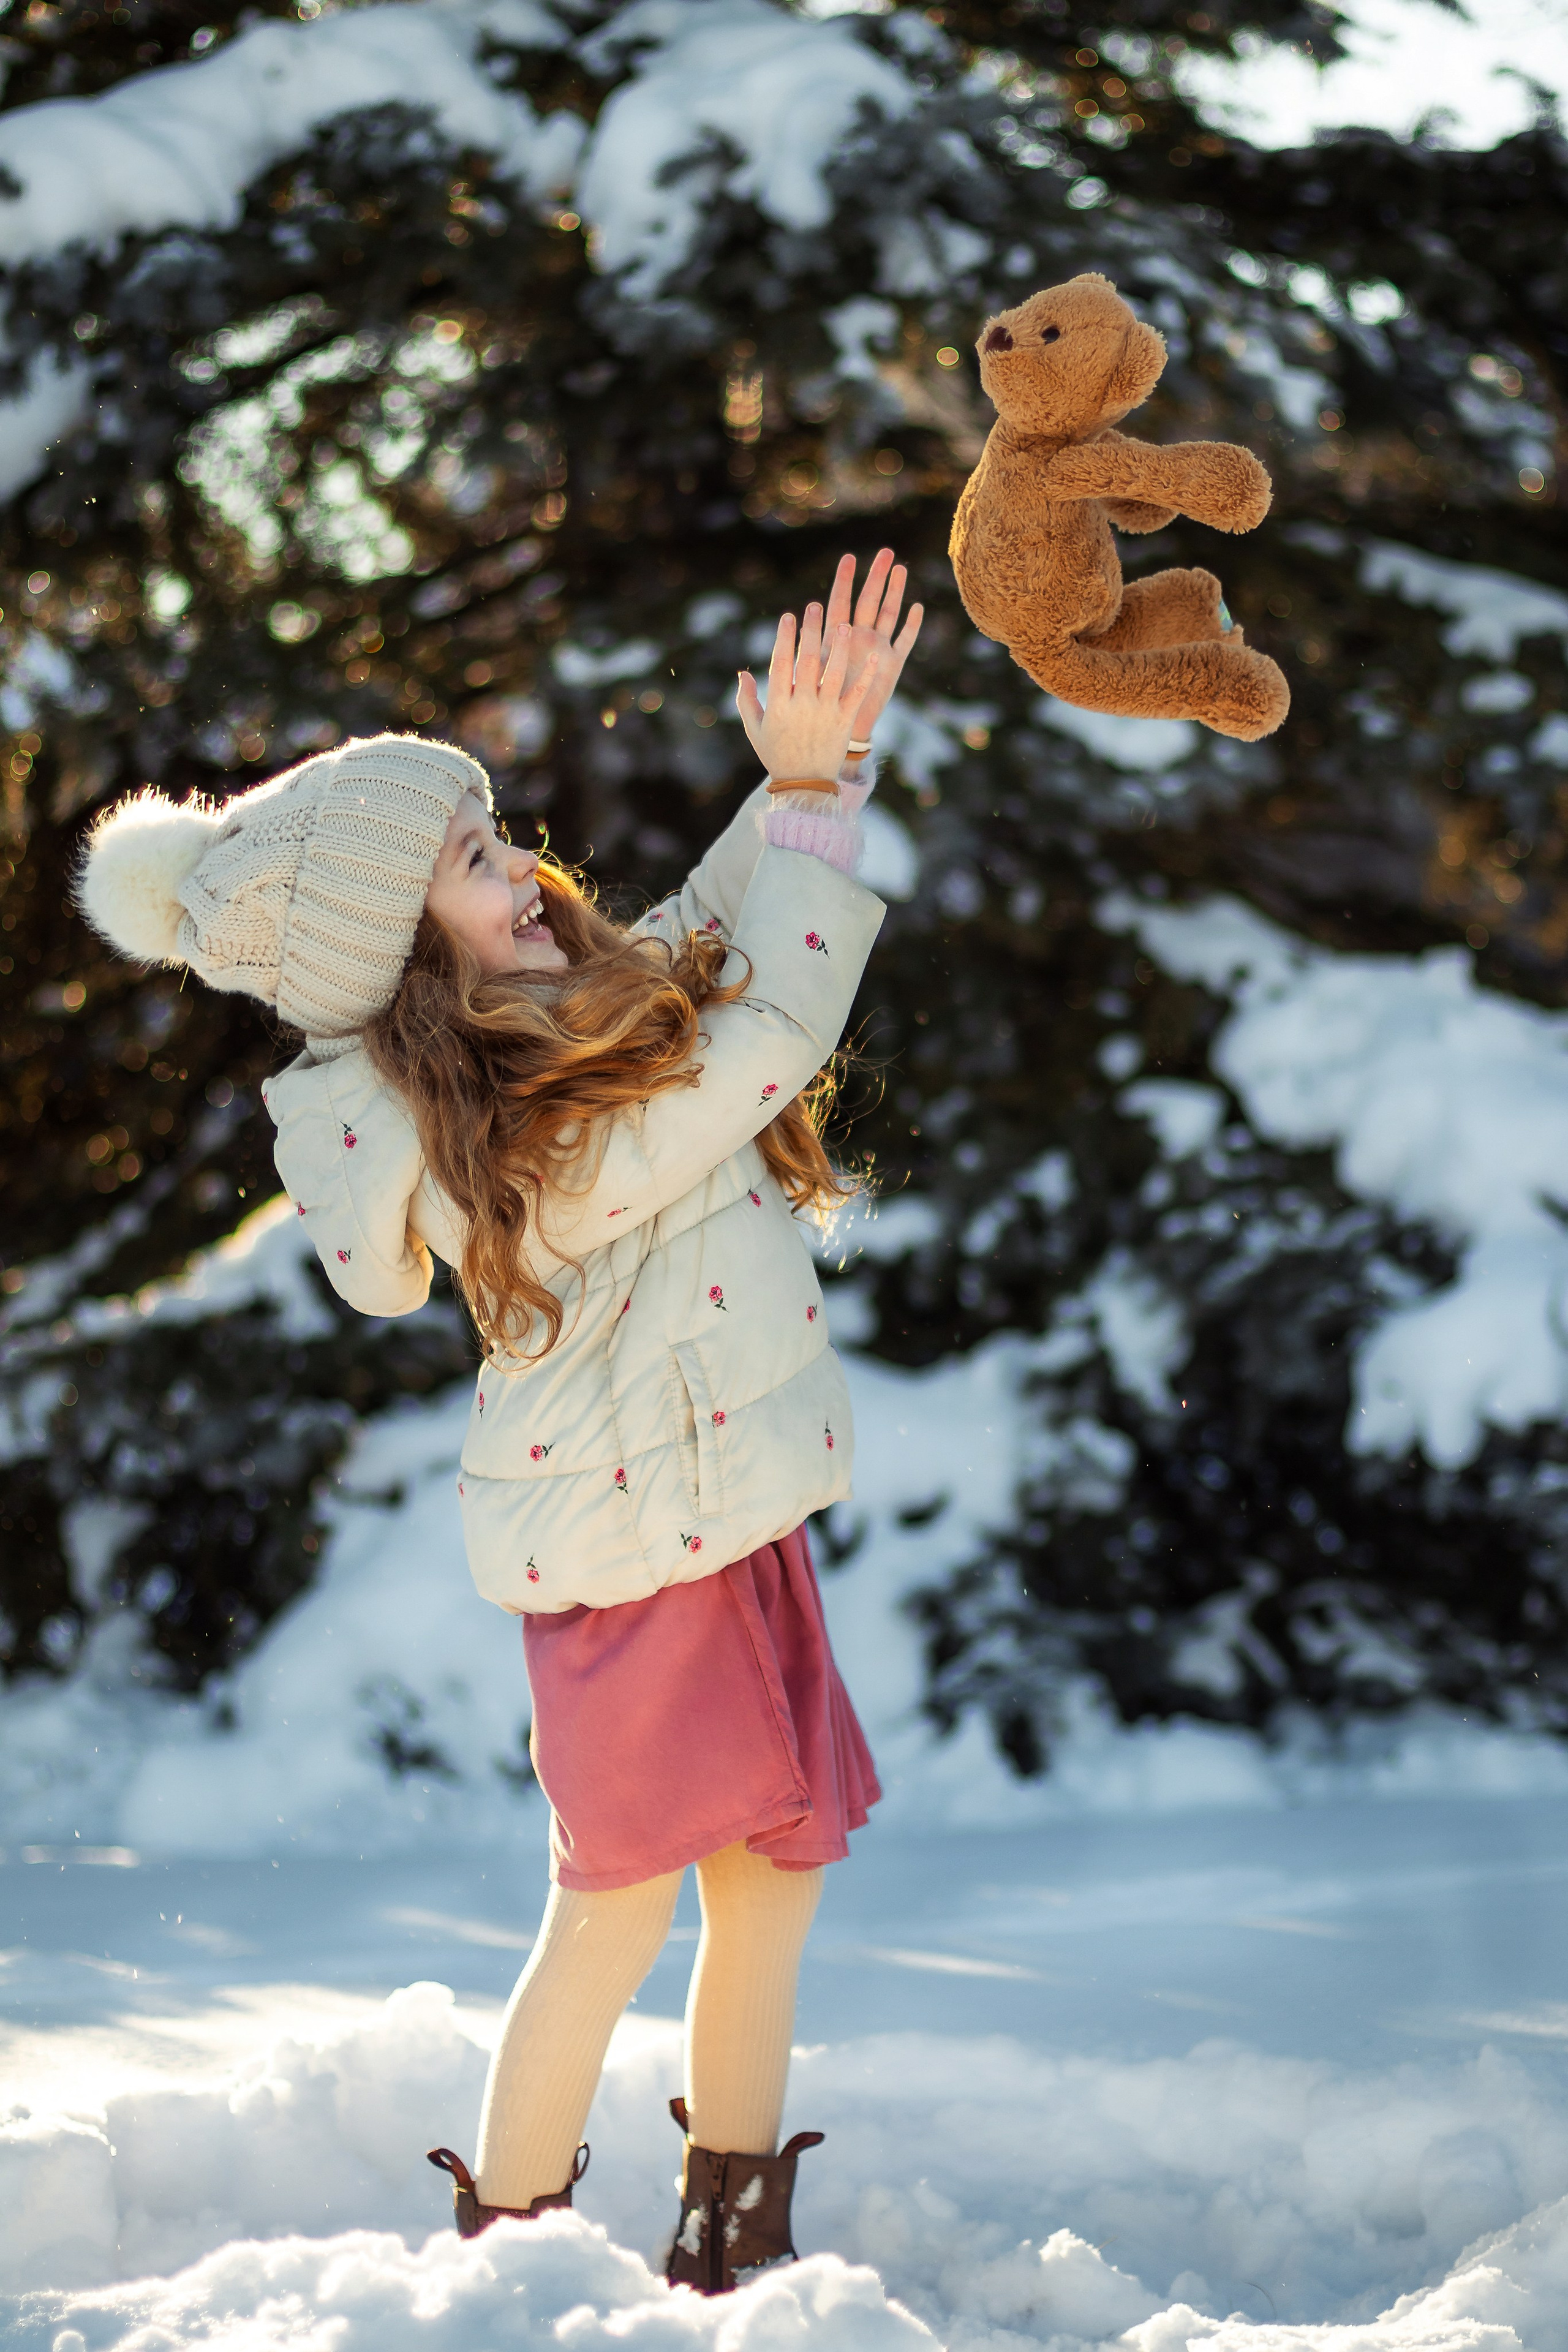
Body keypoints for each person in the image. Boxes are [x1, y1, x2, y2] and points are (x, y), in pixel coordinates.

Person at [77, 549, 922, 2294]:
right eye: (473, 862)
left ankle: (731, 2258)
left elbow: (703, 936)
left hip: (712, 1509)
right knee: (612, 1914)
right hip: (633, 1546)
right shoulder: (496, 1144)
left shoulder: (556, 1007)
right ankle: (500, 2276)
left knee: (775, 1880)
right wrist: (817, 813)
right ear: (402, 951)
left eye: (497, 831)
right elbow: (751, 1050)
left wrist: (800, 787)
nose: (523, 866)